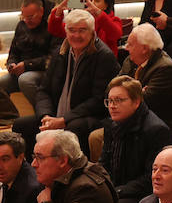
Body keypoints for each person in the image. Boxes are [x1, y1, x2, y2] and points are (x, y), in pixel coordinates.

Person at [17, 8, 117, 152]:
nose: (76, 35)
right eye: (71, 30)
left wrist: (64, 120)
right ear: (66, 31)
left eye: (82, 30)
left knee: (74, 128)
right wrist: (46, 116)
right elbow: (43, 90)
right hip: (58, 115)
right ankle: (36, 169)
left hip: (89, 117)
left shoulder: (103, 56)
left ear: (92, 32)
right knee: (21, 125)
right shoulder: (60, 52)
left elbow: (98, 100)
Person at [98, 75, 172, 203]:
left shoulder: (156, 130)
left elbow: (150, 179)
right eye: (110, 101)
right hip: (119, 189)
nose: (112, 106)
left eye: (118, 100)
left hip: (146, 194)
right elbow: (103, 163)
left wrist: (116, 191)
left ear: (136, 102)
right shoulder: (112, 125)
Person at [117, 23, 172, 130]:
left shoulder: (165, 68)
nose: (126, 48)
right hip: (129, 121)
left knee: (97, 137)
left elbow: (145, 102)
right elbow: (113, 89)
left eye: (130, 44)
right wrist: (138, 91)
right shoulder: (130, 61)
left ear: (144, 49)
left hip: (155, 126)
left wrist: (126, 93)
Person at [1, 0, 55, 105]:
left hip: (44, 71)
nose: (26, 21)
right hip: (22, 69)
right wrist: (11, 64)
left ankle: (45, 112)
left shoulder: (52, 25)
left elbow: (53, 57)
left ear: (41, 11)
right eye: (23, 17)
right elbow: (14, 51)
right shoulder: (21, 25)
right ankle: (8, 116)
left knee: (25, 80)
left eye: (30, 17)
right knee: (1, 82)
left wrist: (27, 65)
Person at [47, 0, 125, 56]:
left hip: (104, 62)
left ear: (106, 6)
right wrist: (58, 11)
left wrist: (98, 13)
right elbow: (56, 30)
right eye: (90, 0)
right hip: (82, 60)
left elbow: (116, 34)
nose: (92, 3)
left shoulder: (114, 20)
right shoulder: (81, 20)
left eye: (97, 1)